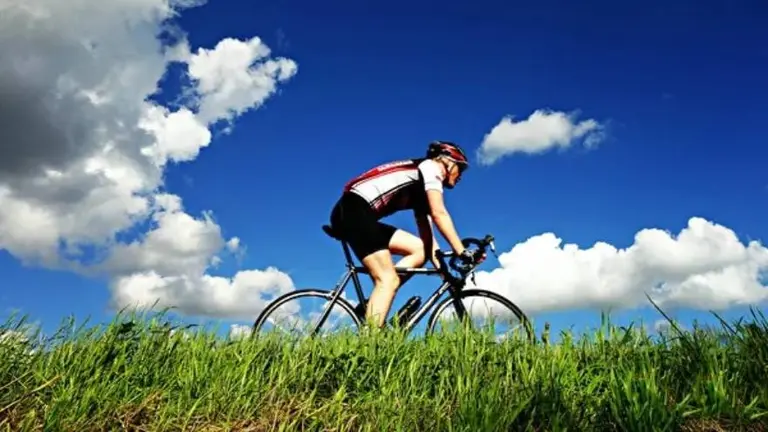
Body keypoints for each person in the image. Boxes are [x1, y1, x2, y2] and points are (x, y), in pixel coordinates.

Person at [327, 140, 483, 328]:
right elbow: (439, 213)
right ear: (448, 162)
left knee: (419, 249)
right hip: (354, 210)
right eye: (461, 169)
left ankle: (374, 302)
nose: (460, 177)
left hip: (354, 212)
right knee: (387, 280)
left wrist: (443, 271)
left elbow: (428, 241)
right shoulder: (432, 167)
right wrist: (461, 251)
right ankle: (369, 344)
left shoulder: (421, 186)